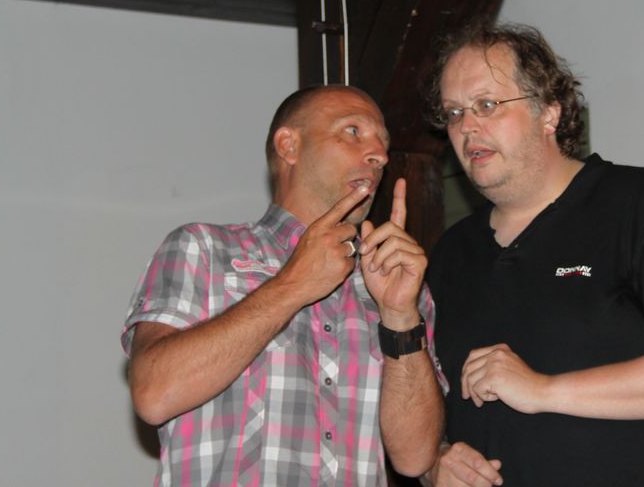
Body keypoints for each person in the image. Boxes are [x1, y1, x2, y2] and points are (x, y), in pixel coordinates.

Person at [421, 22, 644, 486]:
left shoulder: (637, 203)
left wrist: (543, 390)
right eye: (454, 113)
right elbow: (428, 399)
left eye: (487, 105)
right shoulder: (451, 253)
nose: (467, 127)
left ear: (549, 112)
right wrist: (436, 459)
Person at [122, 85, 444, 487]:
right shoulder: (204, 249)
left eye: (383, 144)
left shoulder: (395, 282)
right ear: (289, 146)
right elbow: (154, 394)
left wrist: (399, 318)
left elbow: (415, 458)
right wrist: (294, 284)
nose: (379, 154)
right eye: (353, 132)